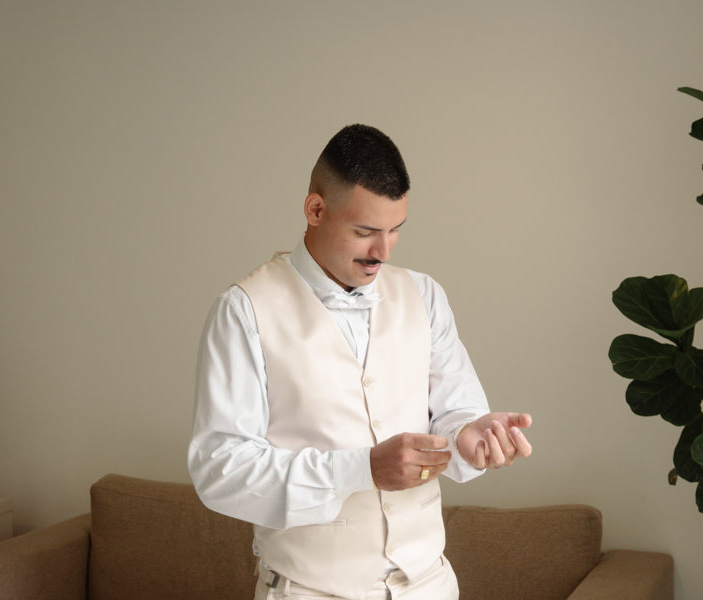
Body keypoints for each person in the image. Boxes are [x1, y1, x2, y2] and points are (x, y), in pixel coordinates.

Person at [188, 124, 533, 600]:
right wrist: (361, 469)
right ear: (315, 209)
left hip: (430, 586)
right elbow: (220, 471)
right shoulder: (244, 310)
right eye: (365, 232)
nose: (383, 252)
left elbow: (455, 413)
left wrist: (468, 436)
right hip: (309, 590)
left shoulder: (424, 296)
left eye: (395, 231)